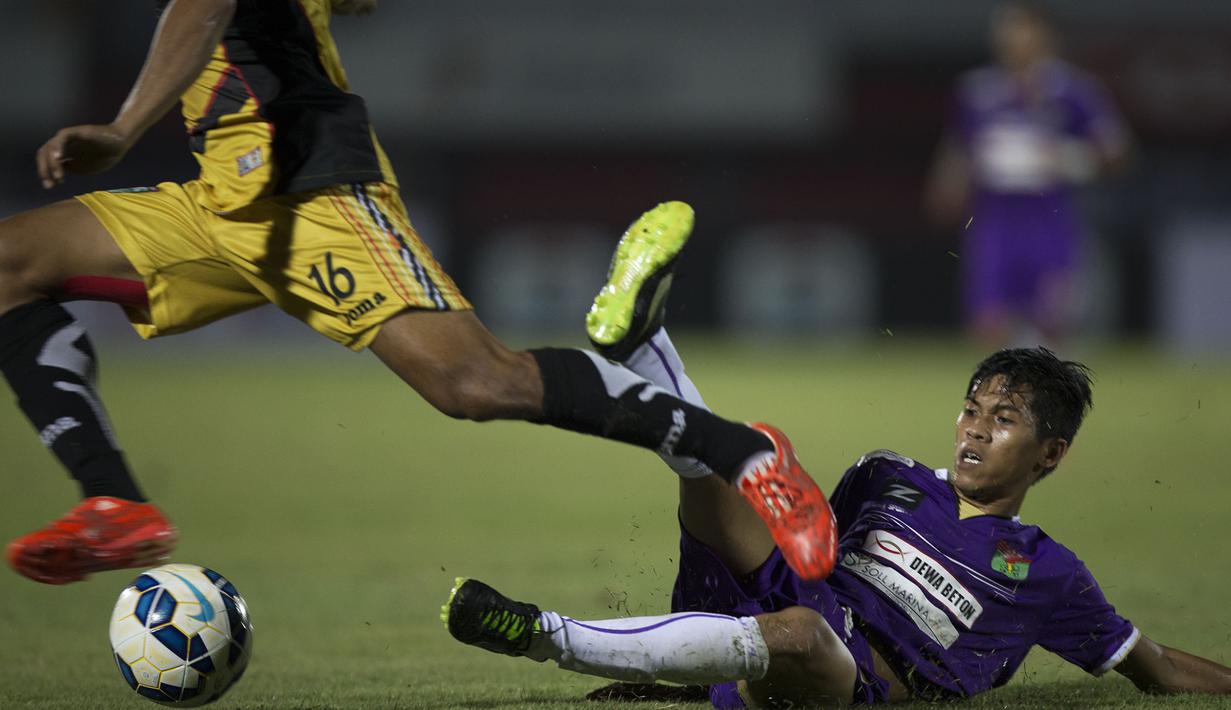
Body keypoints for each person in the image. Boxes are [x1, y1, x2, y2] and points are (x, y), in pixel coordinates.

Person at [0, 0, 835, 586]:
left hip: (313, 187)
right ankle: (114, 500)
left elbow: (205, 4)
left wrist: (121, 129)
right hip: (219, 196)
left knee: (473, 383)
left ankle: (746, 454)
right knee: (9, 262)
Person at [443, 225, 1231, 707]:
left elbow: (1156, 670)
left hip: (849, 674)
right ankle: (643, 342)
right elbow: (807, 543)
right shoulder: (889, 474)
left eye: (1003, 420)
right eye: (970, 408)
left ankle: (540, 632)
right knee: (714, 475)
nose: (973, 429)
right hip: (797, 597)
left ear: (1049, 454)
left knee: (800, 634)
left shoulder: (1048, 573)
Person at [925, 1, 1131, 349]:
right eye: (1006, 28)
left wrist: (1067, 158)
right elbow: (958, 149)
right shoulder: (977, 91)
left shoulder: (1073, 90)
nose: (1012, 37)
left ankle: (1046, 381)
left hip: (1049, 222)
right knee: (988, 325)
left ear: (1044, 35)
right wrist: (947, 187)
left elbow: (1118, 153)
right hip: (994, 223)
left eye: (1021, 28)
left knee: (1052, 324)